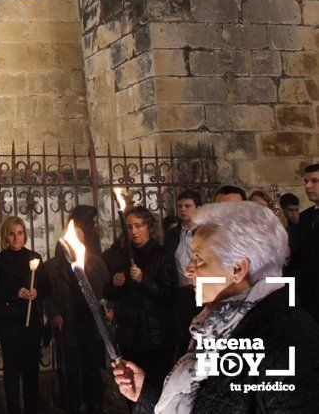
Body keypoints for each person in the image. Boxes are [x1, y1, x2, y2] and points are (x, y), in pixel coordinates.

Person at [113, 202, 319, 413]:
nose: (189, 269)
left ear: (238, 268)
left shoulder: (286, 343)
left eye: (199, 259)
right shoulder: (215, 326)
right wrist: (145, 395)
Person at [103, 206, 177, 392]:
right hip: (129, 336)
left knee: (155, 387)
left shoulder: (162, 255)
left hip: (155, 337)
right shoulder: (121, 255)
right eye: (129, 227)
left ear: (149, 227)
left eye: (138, 226)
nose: (133, 231)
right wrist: (114, 284)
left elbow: (169, 296)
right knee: (132, 388)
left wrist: (144, 281)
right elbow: (109, 294)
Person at [44, 207, 109, 414]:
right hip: (67, 323)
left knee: (91, 367)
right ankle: (71, 403)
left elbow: (106, 292)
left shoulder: (96, 263)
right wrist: (54, 313)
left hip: (90, 324)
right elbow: (46, 293)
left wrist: (108, 307)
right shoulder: (52, 267)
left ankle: (94, 403)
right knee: (69, 368)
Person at [0, 216, 50, 414]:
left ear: (25, 235)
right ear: (6, 236)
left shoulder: (34, 257)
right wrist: (16, 293)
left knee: (31, 369)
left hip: (31, 321)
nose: (16, 238)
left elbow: (46, 286)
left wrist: (36, 292)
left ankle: (32, 409)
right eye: (12, 233)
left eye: (20, 233)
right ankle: (13, 409)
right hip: (9, 323)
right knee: (12, 370)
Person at [171, 190, 202, 358]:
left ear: (198, 207)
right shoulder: (173, 234)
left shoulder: (205, 232)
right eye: (180, 206)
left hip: (203, 290)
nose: (183, 209)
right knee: (184, 333)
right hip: (183, 291)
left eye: (187, 206)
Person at [289, 163, 319, 322]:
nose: (308, 186)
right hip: (309, 297)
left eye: (314, 181)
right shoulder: (306, 217)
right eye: (306, 181)